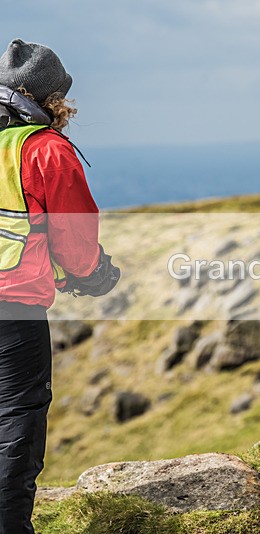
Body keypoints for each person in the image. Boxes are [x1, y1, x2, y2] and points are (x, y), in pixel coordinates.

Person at [0, 39, 120, 533]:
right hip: (13, 312)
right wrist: (94, 275)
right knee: (15, 423)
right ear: (52, 98)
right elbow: (74, 242)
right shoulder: (45, 149)